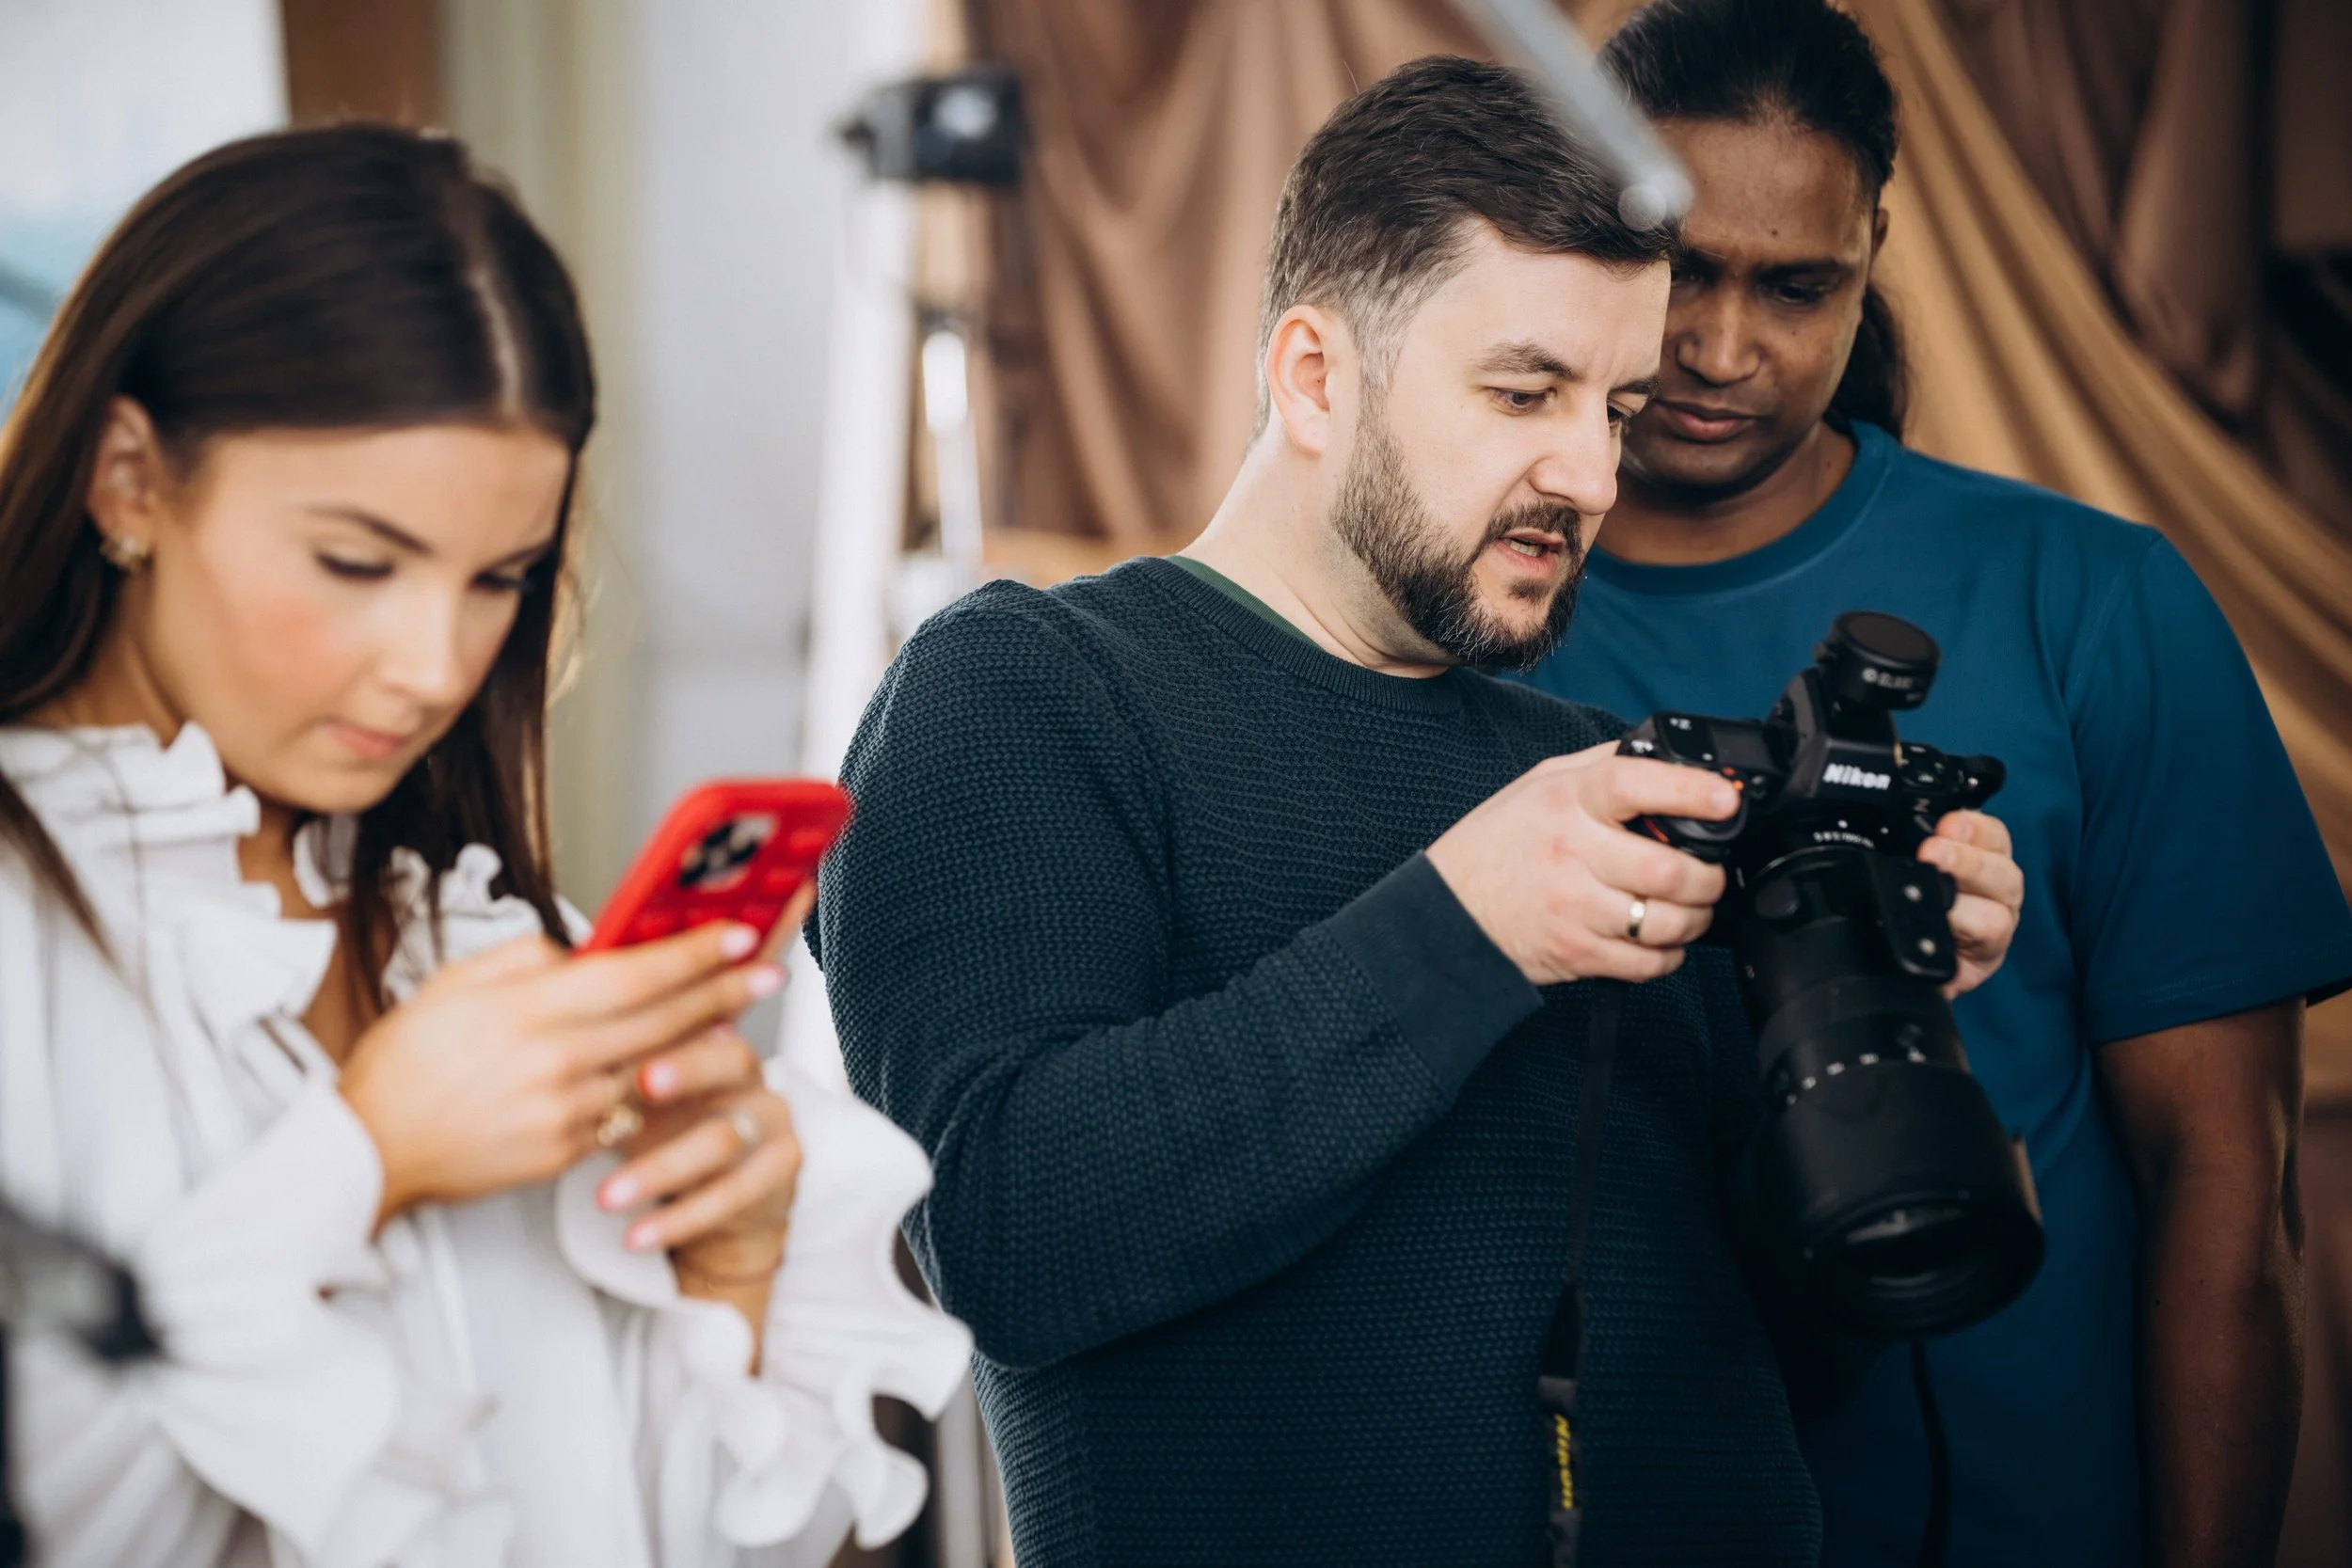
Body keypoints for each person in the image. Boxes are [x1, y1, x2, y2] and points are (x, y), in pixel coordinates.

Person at [814, 55, 2025, 1567]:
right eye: (1525, 390)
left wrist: (1876, 1004)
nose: (1590, 472)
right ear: (1315, 374)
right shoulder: (1023, 692)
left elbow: (1798, 1351)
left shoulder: (1600, 769)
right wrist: (1467, 927)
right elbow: (1008, 1238)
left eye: (1619, 403)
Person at [0, 124, 967, 1567]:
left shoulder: (481, 930)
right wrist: (365, 1155)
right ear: (129, 479)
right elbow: (75, 1508)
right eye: (358, 563)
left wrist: (731, 1266)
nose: (436, 664)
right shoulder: (28, 913)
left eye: (501, 578)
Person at [1514, 3, 2352, 1565]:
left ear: (1876, 250)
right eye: (1684, 267)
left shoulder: (2092, 598)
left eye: (1798, 285)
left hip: (2029, 1514)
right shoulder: (1472, 614)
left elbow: (2226, 1189)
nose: (1719, 347)